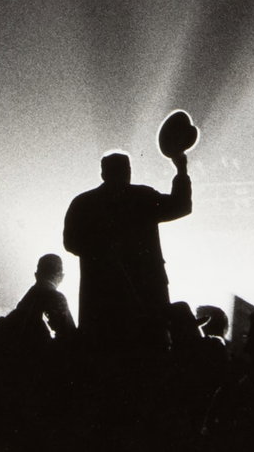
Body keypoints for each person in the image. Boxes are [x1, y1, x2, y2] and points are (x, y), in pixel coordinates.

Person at [62, 148, 190, 354]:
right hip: (148, 293)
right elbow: (181, 205)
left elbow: (70, 243)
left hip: (101, 297)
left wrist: (102, 249)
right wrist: (181, 170)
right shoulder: (143, 197)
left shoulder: (83, 203)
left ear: (103, 173)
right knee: (150, 353)